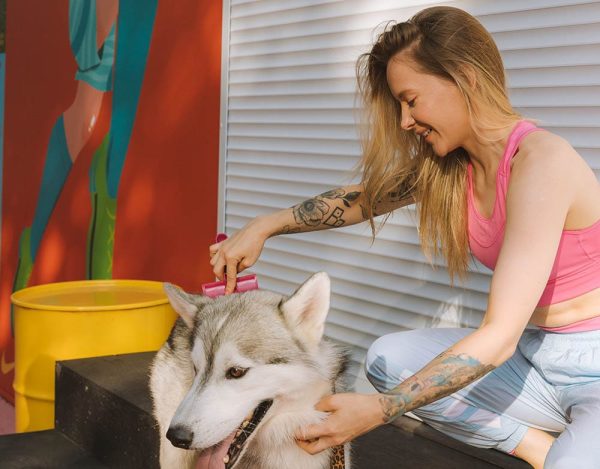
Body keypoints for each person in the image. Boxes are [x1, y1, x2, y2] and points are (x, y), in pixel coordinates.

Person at [208, 6, 600, 469]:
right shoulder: (459, 169)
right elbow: (365, 199)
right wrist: (266, 224)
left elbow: (497, 338)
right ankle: (538, 447)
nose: (404, 121)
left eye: (411, 99)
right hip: (538, 359)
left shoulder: (542, 162)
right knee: (389, 360)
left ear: (465, 79)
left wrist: (378, 409)